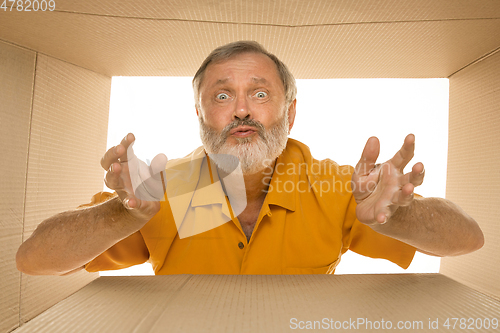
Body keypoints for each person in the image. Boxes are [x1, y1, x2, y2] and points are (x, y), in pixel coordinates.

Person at [16, 41, 484, 276]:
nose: (241, 109)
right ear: (200, 114)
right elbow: (33, 260)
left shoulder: (339, 188)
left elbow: (468, 239)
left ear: (290, 113)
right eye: (222, 95)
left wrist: (401, 215)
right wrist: (121, 213)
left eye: (259, 93)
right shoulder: (162, 192)